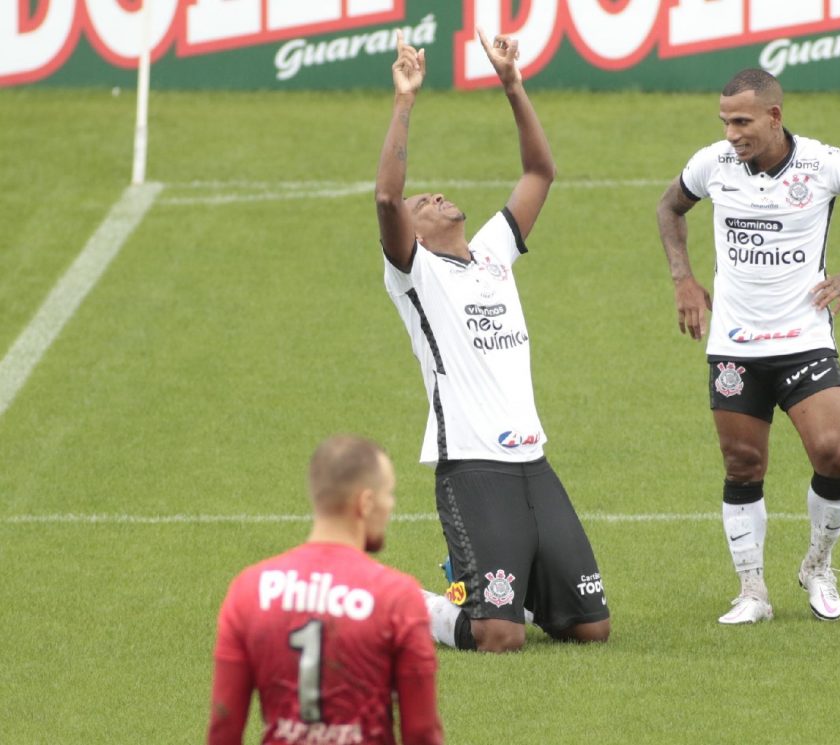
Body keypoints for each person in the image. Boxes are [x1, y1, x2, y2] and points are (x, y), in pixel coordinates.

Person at [375, 30, 610, 653]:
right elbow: (386, 195)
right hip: (473, 464)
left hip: (532, 458)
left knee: (591, 628)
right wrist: (405, 101)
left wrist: (513, 85)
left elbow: (541, 171)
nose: (433, 196)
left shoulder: (491, 253)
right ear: (414, 236)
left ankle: (485, 578)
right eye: (423, 202)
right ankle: (408, 602)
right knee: (498, 636)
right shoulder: (415, 276)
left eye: (436, 194)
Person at [656, 69, 840, 624]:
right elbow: (669, 208)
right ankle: (752, 591)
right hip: (735, 342)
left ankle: (818, 565)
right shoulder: (712, 164)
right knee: (743, 464)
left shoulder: (822, 164)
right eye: (725, 121)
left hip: (804, 338)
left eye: (742, 121)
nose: (731, 132)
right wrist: (682, 276)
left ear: (774, 117)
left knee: (832, 450)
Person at [207, 435, 443, 744]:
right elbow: (422, 733)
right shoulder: (397, 597)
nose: (391, 506)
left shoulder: (249, 590)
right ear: (365, 502)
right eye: (389, 494)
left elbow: (223, 728)